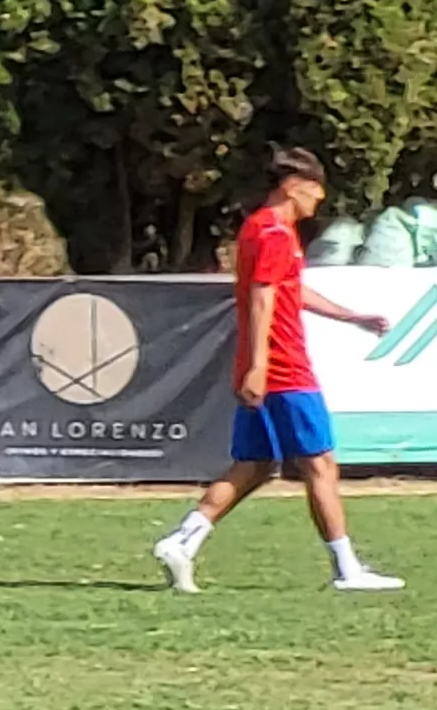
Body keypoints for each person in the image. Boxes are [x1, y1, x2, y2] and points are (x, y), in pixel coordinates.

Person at [156, 146, 403, 595]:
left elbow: (289, 292)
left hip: (269, 369)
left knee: (253, 465)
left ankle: (183, 540)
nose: (315, 207)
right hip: (284, 369)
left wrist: (353, 317)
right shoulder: (273, 233)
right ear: (293, 187)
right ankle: (348, 570)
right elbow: (261, 299)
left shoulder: (265, 230)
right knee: (321, 464)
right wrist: (259, 365)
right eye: (313, 196)